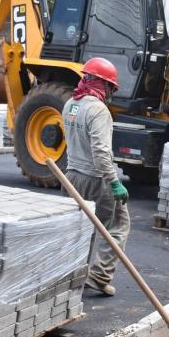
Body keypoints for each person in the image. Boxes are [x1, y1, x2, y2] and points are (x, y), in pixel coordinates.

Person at [62, 57, 130, 296]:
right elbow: (101, 153)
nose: (111, 92)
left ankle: (71, 275)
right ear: (103, 84)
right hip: (96, 179)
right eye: (111, 87)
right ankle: (99, 276)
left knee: (80, 229)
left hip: (71, 176)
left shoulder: (71, 104)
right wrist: (114, 183)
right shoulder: (98, 110)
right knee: (118, 225)